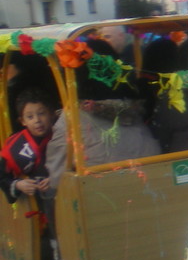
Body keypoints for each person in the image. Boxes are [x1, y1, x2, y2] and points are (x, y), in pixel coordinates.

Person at [45, 39, 160, 195]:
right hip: (152, 190)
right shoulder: (135, 111)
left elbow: (57, 179)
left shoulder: (71, 120)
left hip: (101, 200)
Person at [0, 89, 55, 203]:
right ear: (22, 121)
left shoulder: (63, 133)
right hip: (36, 203)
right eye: (30, 117)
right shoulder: (15, 146)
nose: (37, 121)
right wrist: (18, 184)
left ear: (51, 113)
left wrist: (57, 178)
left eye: (41, 113)